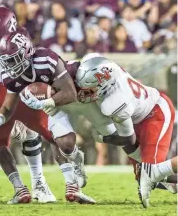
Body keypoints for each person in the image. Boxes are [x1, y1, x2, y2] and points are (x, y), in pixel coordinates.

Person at [0, 30, 95, 204]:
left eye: (13, 59)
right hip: (49, 104)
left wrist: (44, 103)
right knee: (64, 142)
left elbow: (70, 93)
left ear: (27, 52)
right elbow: (9, 103)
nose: (10, 65)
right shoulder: (10, 74)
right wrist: (0, 118)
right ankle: (70, 185)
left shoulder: (46, 59)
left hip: (73, 96)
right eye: (7, 61)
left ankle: (75, 171)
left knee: (77, 140)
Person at [0, 7, 58, 204]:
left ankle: (37, 183)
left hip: (16, 90)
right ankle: (27, 186)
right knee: (2, 139)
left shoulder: (18, 40)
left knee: (32, 133)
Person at [75, 53, 176, 207]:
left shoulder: (115, 102)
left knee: (152, 172)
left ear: (103, 85)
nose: (83, 93)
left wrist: (103, 138)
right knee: (147, 174)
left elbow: (128, 140)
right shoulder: (102, 66)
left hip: (155, 113)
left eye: (89, 90)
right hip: (137, 116)